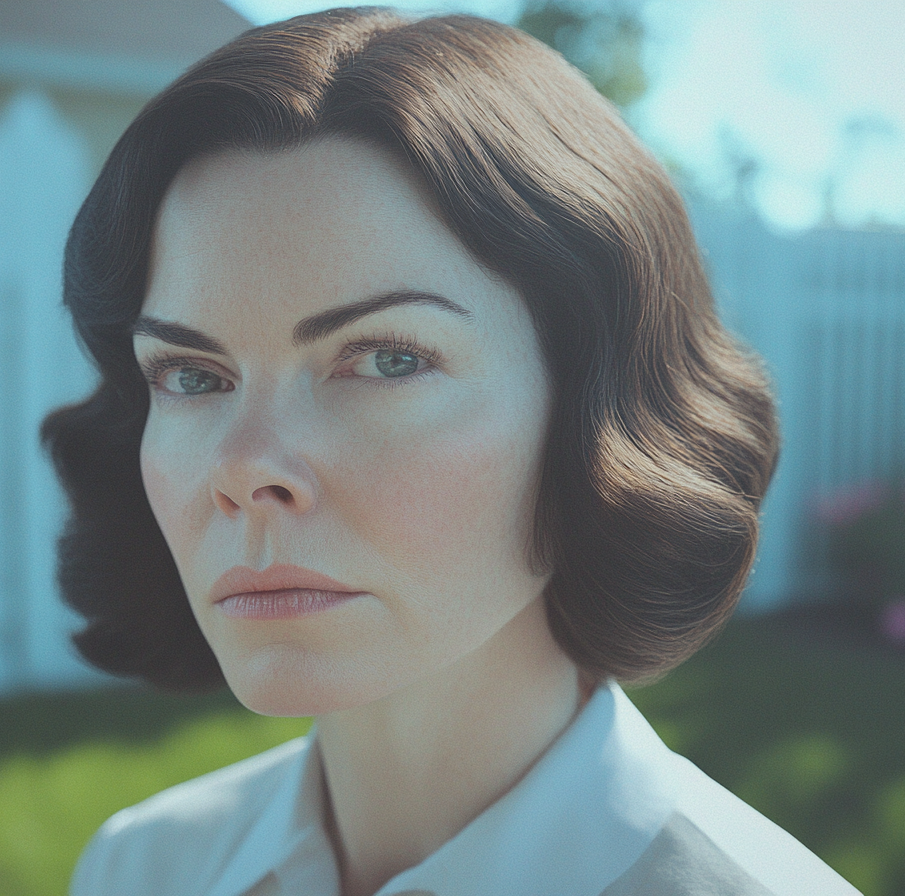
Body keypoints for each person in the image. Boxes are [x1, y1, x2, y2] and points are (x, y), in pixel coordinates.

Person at [44, 8, 860, 895]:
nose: (244, 468)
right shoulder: (138, 867)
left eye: (389, 359)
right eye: (193, 376)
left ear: (601, 405)